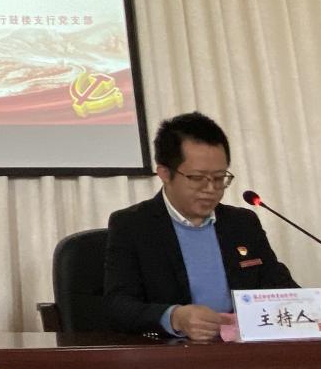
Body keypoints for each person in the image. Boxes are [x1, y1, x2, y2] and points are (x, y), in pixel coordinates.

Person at [103, 112, 297, 340]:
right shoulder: (133, 225)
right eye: (197, 178)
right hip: (172, 353)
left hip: (241, 349)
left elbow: (278, 284)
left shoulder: (242, 223)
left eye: (219, 178)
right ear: (164, 173)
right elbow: (118, 305)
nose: (211, 189)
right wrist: (174, 317)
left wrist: (307, 309)